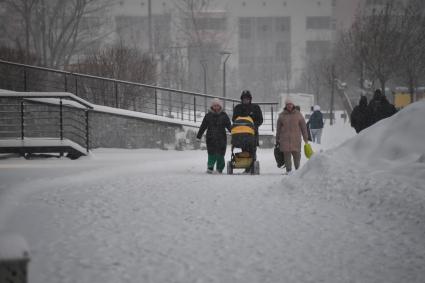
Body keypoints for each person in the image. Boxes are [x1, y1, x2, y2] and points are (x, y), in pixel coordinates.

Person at [197, 98, 231, 174]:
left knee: (220, 154)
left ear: (220, 106)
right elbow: (203, 126)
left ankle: (219, 168)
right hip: (210, 138)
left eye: (217, 105)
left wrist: (234, 132)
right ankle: (210, 167)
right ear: (212, 106)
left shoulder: (224, 115)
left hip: (221, 138)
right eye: (214, 105)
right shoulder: (208, 116)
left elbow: (229, 126)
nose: (216, 107)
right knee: (211, 153)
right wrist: (199, 136)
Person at [276, 98, 309, 175]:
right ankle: (289, 171)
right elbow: (278, 129)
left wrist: (305, 138)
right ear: (285, 106)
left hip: (296, 139)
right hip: (285, 139)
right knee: (287, 156)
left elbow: (304, 127)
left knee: (297, 155)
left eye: (290, 104)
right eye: (287, 104)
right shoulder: (281, 115)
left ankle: (297, 171)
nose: (289, 106)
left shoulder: (298, 115)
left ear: (293, 105)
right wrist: (277, 139)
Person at [232, 90, 263, 156]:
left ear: (250, 99)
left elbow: (260, 119)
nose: (246, 100)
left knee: (252, 150)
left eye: (247, 98)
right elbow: (234, 119)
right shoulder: (238, 108)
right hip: (241, 133)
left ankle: (252, 163)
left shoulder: (255, 108)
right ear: (242, 99)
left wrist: (254, 125)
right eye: (244, 98)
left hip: (252, 132)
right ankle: (246, 162)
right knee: (244, 149)